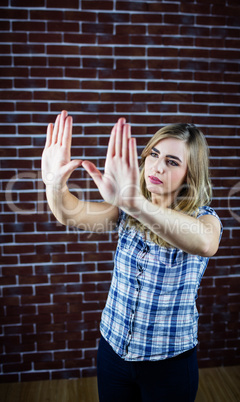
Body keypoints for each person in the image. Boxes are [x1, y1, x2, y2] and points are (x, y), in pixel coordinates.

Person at [42, 110, 222, 402]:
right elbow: (67, 213)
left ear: (191, 174)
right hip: (113, 354)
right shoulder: (124, 211)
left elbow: (205, 243)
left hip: (169, 364)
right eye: (153, 154)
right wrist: (54, 183)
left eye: (172, 161)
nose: (157, 166)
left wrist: (135, 203)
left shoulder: (204, 218)